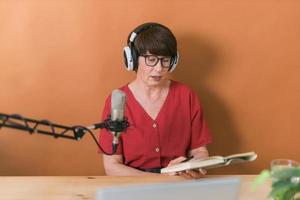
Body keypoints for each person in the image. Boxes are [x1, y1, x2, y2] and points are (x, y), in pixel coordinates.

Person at [99, 22, 212, 179]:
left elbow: (200, 151)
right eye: (151, 59)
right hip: (133, 188)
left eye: (165, 60)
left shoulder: (187, 95)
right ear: (132, 59)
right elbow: (112, 166)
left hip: (178, 184)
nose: (159, 68)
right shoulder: (117, 100)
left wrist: (192, 165)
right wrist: (159, 178)